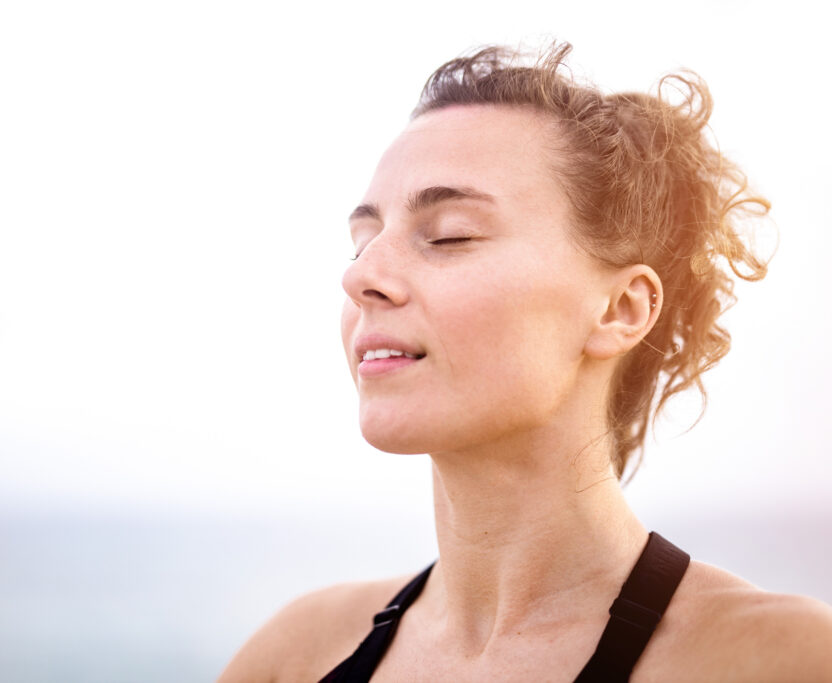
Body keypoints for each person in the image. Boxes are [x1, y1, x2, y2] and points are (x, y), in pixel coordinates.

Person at [218, 43, 832, 682]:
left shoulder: (774, 659)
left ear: (621, 309)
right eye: (363, 241)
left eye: (450, 234)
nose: (362, 275)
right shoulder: (297, 655)